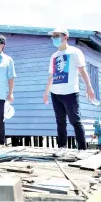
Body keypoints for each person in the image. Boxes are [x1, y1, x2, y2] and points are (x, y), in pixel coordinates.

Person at [43, 28, 96, 158]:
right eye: (53, 36)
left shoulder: (74, 52)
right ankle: (62, 147)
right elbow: (51, 75)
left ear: (65, 37)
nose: (54, 38)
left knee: (75, 120)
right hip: (55, 93)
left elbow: (83, 71)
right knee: (60, 121)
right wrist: (46, 92)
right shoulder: (54, 56)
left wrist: (89, 87)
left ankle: (82, 149)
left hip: (70, 92)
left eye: (57, 36)